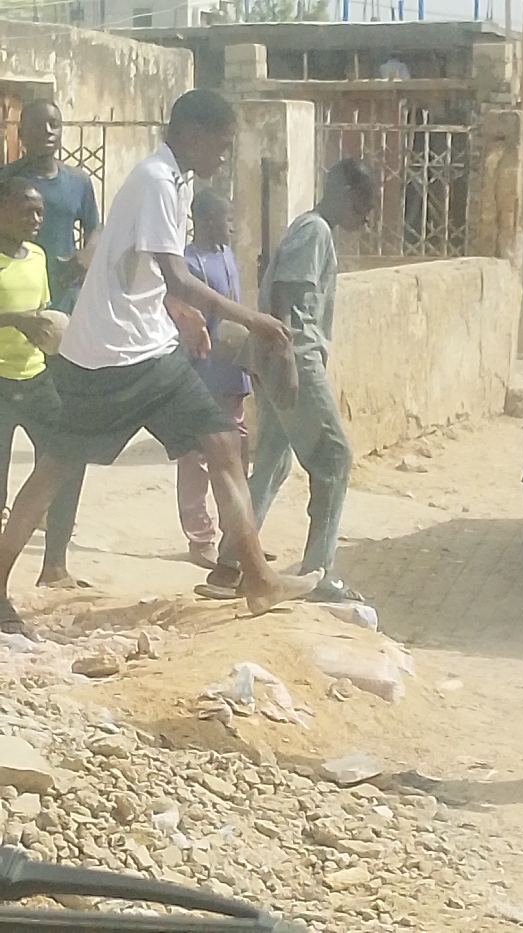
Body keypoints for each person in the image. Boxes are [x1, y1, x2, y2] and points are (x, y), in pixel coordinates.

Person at [0, 88, 322, 636]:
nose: (223, 156)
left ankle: (257, 578)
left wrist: (179, 314)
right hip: (124, 354)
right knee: (65, 465)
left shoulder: (173, 180)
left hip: (125, 348)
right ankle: (258, 578)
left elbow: (145, 272)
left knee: (217, 444)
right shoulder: (155, 180)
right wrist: (253, 320)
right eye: (220, 145)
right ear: (193, 133)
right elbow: (175, 275)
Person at [202, 158, 375, 604]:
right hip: (292, 356)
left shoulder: (311, 230)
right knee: (334, 457)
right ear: (344, 193)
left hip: (276, 356)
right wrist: (289, 363)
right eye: (363, 206)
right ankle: (320, 571)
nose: (365, 219)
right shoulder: (315, 230)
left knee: (273, 462)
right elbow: (284, 295)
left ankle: (230, 565)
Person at [0, 178, 86, 590]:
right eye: (26, 211)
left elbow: (44, 314)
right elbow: (25, 317)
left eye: (40, 212)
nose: (35, 219)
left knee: (68, 461)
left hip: (35, 378)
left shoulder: (36, 256)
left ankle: (54, 566)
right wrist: (16, 320)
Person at [177, 188, 252, 570]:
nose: (233, 227)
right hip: (203, 369)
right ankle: (199, 536)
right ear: (207, 221)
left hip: (233, 370)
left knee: (238, 450)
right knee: (198, 456)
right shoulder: (187, 263)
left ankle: (236, 536)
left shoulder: (227, 255)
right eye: (228, 219)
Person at [0, 99, 101, 315]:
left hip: (65, 294)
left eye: (54, 124)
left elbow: (95, 228)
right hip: (17, 295)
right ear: (21, 133)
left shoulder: (79, 181)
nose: (47, 131)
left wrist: (86, 255)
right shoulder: (5, 180)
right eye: (38, 125)